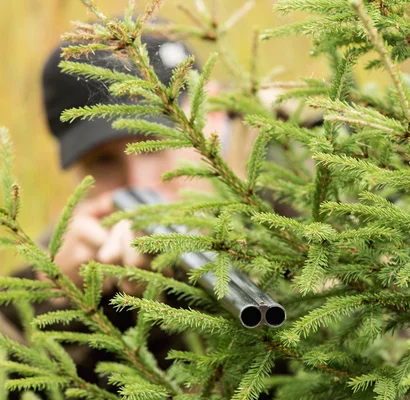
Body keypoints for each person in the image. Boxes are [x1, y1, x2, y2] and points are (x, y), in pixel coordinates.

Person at [0, 30, 235, 397]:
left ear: (215, 114)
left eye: (154, 143)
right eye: (104, 161)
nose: (138, 184)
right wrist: (60, 298)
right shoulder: (79, 244)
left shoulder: (321, 181)